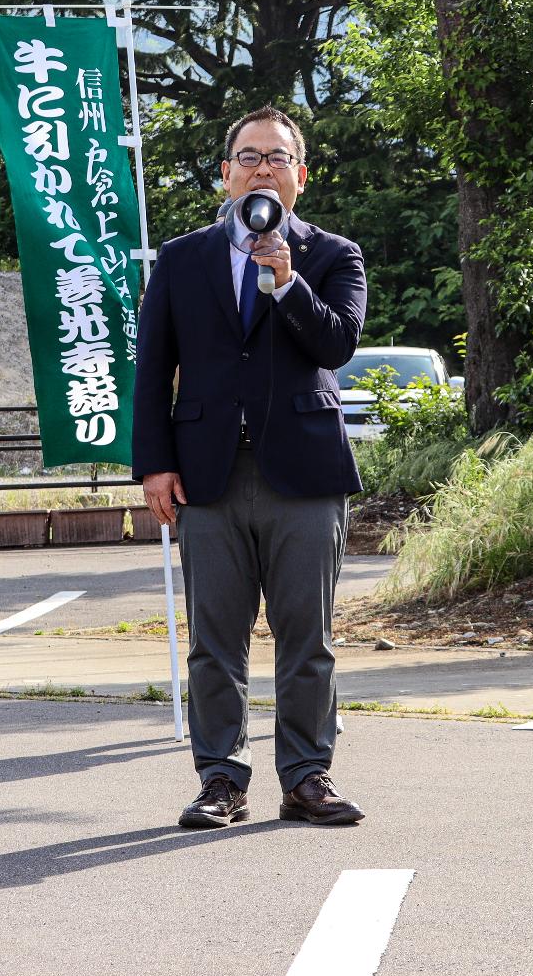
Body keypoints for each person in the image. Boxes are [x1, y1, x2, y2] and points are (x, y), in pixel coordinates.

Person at [132, 106, 369, 829]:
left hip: (305, 471)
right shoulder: (181, 257)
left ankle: (306, 775)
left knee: (308, 636)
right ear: (224, 173)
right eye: (248, 155)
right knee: (215, 639)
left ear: (301, 174)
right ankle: (220, 779)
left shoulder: (333, 254)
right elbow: (153, 369)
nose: (262, 167)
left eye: (277, 156)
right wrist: (153, 464)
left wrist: (287, 282)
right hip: (208, 473)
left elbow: (337, 346)